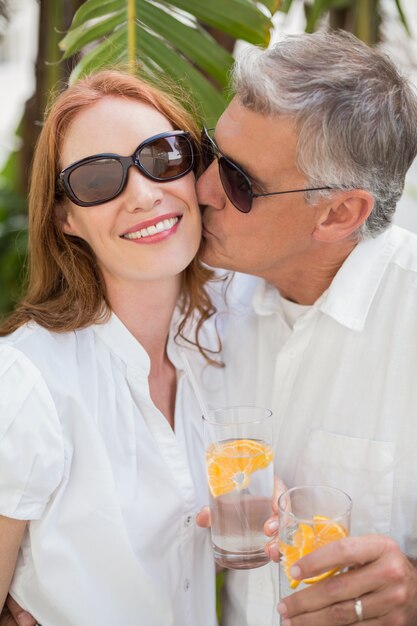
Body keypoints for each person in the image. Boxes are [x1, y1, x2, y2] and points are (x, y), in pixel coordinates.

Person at [196, 29, 417, 626]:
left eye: (240, 182)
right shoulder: (198, 301)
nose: (202, 190)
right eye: (208, 153)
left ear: (339, 213)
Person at [0, 68, 227, 626]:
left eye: (165, 157)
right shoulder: (27, 382)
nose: (144, 195)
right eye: (98, 179)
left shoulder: (228, 337)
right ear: (65, 217)